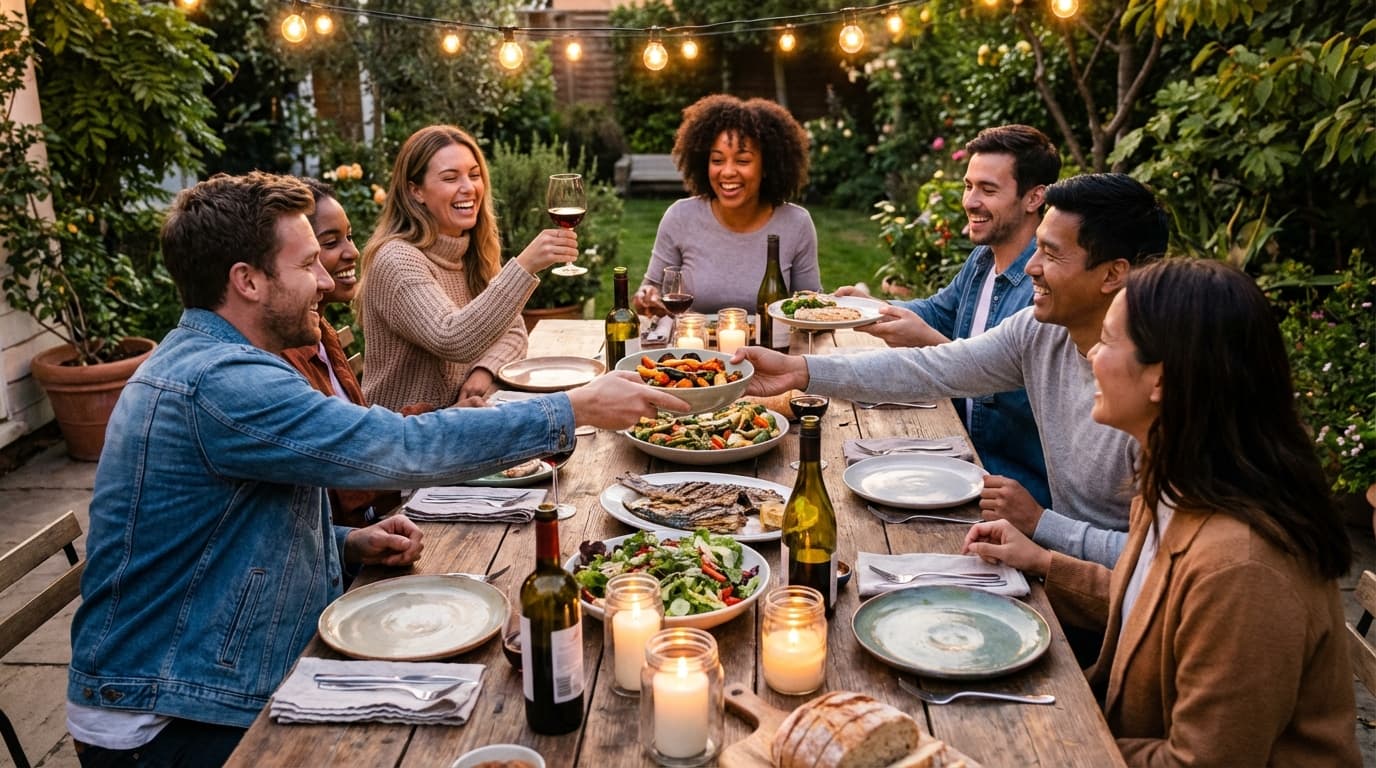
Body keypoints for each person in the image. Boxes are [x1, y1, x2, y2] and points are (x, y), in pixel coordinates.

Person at [65, 172, 687, 765]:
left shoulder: (230, 361)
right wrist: (571, 409)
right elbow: (396, 447)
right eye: (306, 263)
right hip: (172, 717)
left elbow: (217, 536)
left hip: (208, 674)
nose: (326, 281)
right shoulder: (219, 383)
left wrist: (341, 542)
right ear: (246, 281)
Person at [963, 259, 1359, 766]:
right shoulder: (1174, 483)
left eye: (1105, 341)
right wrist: (1041, 563)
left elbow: (1200, 762)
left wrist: (1051, 744)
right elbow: (1157, 611)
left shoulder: (1243, 567)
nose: (1090, 355)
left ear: (1161, 381)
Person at [734, 173, 1168, 568]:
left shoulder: (1159, 391)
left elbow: (1166, 561)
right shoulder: (1041, 331)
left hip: (1105, 601)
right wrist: (799, 370)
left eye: (1051, 255)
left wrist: (1043, 524)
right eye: (1037, 248)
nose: (1031, 266)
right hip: (1049, 562)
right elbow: (932, 368)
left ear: (1113, 274)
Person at [837, 124, 1059, 508]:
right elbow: (938, 311)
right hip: (955, 458)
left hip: (1011, 490)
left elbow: (1015, 390)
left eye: (988, 190)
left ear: (1034, 198)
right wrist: (868, 307)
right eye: (968, 186)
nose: (970, 201)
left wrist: (926, 340)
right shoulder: (983, 260)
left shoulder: (1044, 290)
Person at [357, 124, 578, 412]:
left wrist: (483, 371)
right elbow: (452, 338)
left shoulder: (469, 250)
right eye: (450, 178)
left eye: (474, 175)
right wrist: (524, 266)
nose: (469, 188)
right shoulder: (397, 261)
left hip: (457, 420)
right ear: (415, 191)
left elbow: (512, 330)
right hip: (404, 435)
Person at [280, 177, 430, 527]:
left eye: (348, 236)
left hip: (367, 526)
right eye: (328, 244)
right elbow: (345, 453)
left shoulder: (321, 329)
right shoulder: (281, 352)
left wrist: (443, 414)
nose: (352, 251)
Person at [633, 94, 821, 316]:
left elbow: (811, 311)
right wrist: (646, 297)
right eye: (717, 160)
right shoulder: (680, 217)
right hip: (694, 349)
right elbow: (650, 291)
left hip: (770, 349)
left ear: (767, 166)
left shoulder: (796, 224)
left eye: (742, 161)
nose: (728, 171)